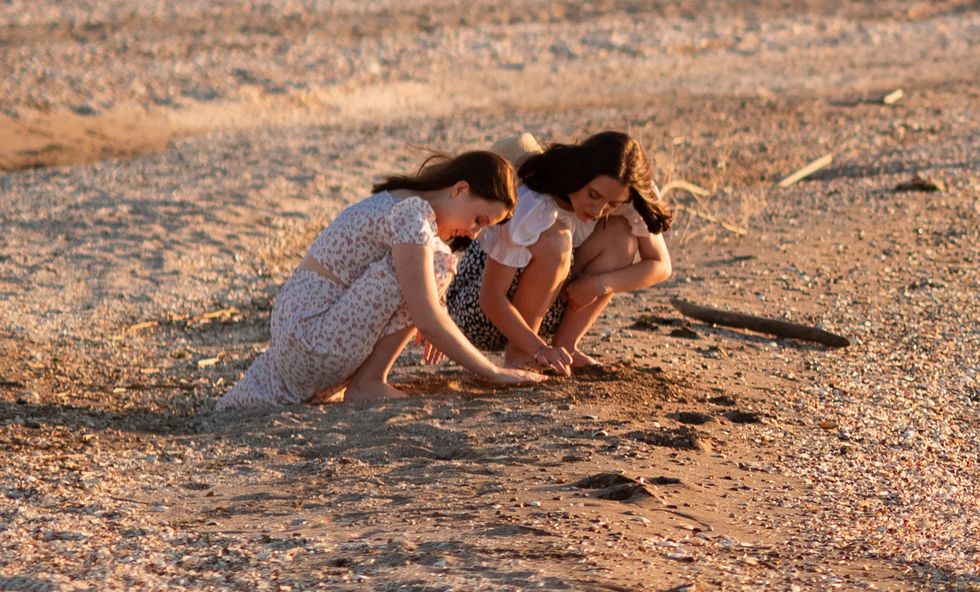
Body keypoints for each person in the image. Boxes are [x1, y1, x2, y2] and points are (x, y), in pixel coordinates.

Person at [216, 152, 549, 410]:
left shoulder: (402, 201)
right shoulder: (412, 215)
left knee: (432, 262)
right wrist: (493, 372)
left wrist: (434, 306)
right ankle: (369, 384)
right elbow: (426, 316)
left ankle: (365, 383)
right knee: (437, 263)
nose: (474, 232)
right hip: (312, 338)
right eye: (478, 219)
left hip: (299, 336)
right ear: (460, 189)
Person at [444, 130, 673, 373]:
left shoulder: (623, 192)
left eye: (612, 204)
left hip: (547, 304)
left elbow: (661, 265)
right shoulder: (532, 201)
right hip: (478, 312)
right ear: (578, 172)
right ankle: (520, 356)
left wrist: (599, 284)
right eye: (593, 195)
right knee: (557, 241)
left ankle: (566, 348)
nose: (598, 209)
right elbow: (490, 298)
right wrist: (538, 350)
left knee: (623, 235)